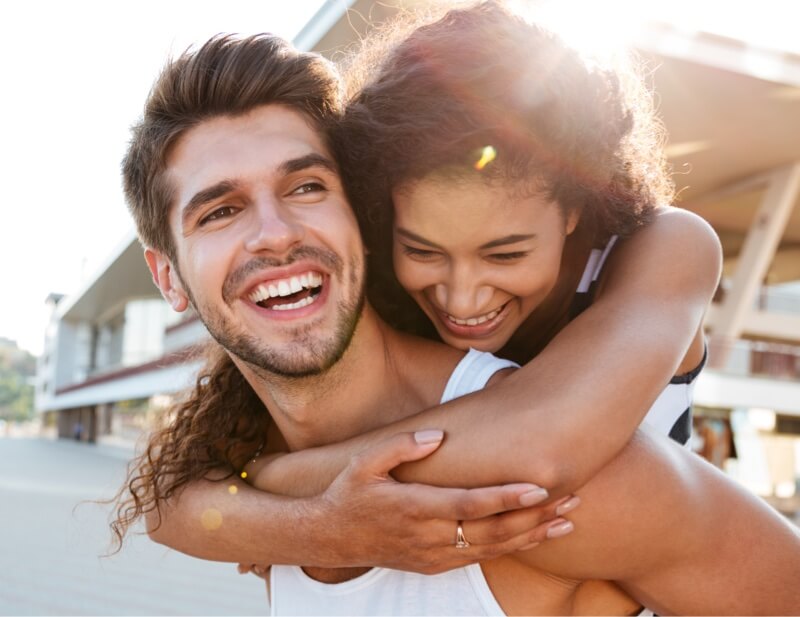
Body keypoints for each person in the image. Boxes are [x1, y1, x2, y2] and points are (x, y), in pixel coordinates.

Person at [111, 29, 800, 615]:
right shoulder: (253, 462)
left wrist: (291, 489)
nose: (275, 233)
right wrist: (313, 524)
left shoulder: (554, 488)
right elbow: (170, 506)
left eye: (306, 186)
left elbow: (547, 442)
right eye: (220, 210)